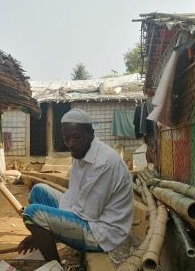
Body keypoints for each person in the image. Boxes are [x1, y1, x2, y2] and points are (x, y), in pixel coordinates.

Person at [18, 108, 133, 261]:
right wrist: (42, 230)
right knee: (38, 191)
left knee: (32, 214)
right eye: (66, 138)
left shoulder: (104, 163)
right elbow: (73, 197)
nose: (71, 144)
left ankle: (56, 269)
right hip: (86, 214)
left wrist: (43, 226)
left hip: (102, 232)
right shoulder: (81, 153)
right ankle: (45, 237)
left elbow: (87, 214)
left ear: (91, 133)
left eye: (76, 137)